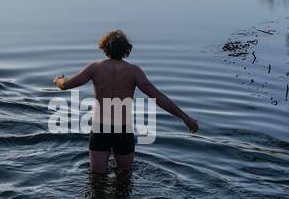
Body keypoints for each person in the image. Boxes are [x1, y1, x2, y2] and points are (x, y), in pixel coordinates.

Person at [52, 29, 199, 173]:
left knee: (96, 177)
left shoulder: (95, 68)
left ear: (104, 48)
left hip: (100, 129)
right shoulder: (134, 71)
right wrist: (185, 117)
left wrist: (58, 80)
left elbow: (66, 85)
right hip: (123, 130)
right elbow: (159, 98)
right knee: (125, 176)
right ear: (126, 50)